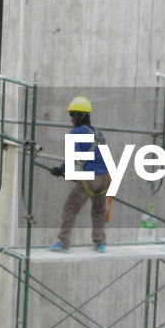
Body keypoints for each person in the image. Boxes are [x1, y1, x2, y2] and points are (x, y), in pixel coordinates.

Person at [48, 96, 110, 252]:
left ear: (78, 115)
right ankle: (100, 243)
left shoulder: (75, 133)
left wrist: (60, 170)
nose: (70, 119)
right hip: (105, 178)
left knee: (70, 209)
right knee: (98, 211)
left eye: (71, 115)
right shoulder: (98, 133)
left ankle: (63, 243)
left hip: (90, 178)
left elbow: (72, 158)